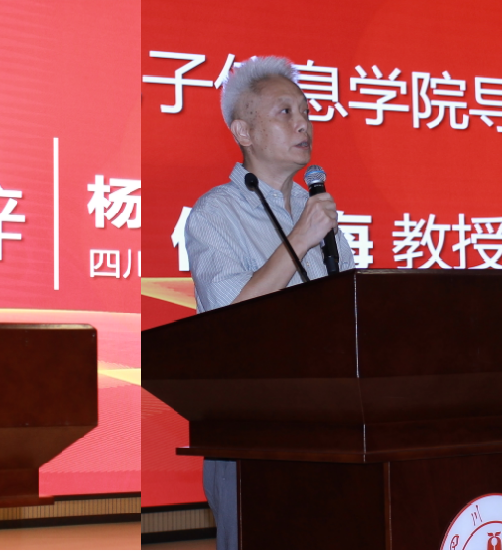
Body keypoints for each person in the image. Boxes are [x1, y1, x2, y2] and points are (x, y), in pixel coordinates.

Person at [182, 56, 355, 549]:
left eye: (306, 111)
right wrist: (299, 239)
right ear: (244, 131)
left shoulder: (316, 212)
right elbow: (228, 318)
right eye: (285, 112)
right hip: (249, 431)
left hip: (329, 425)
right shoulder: (214, 214)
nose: (304, 124)